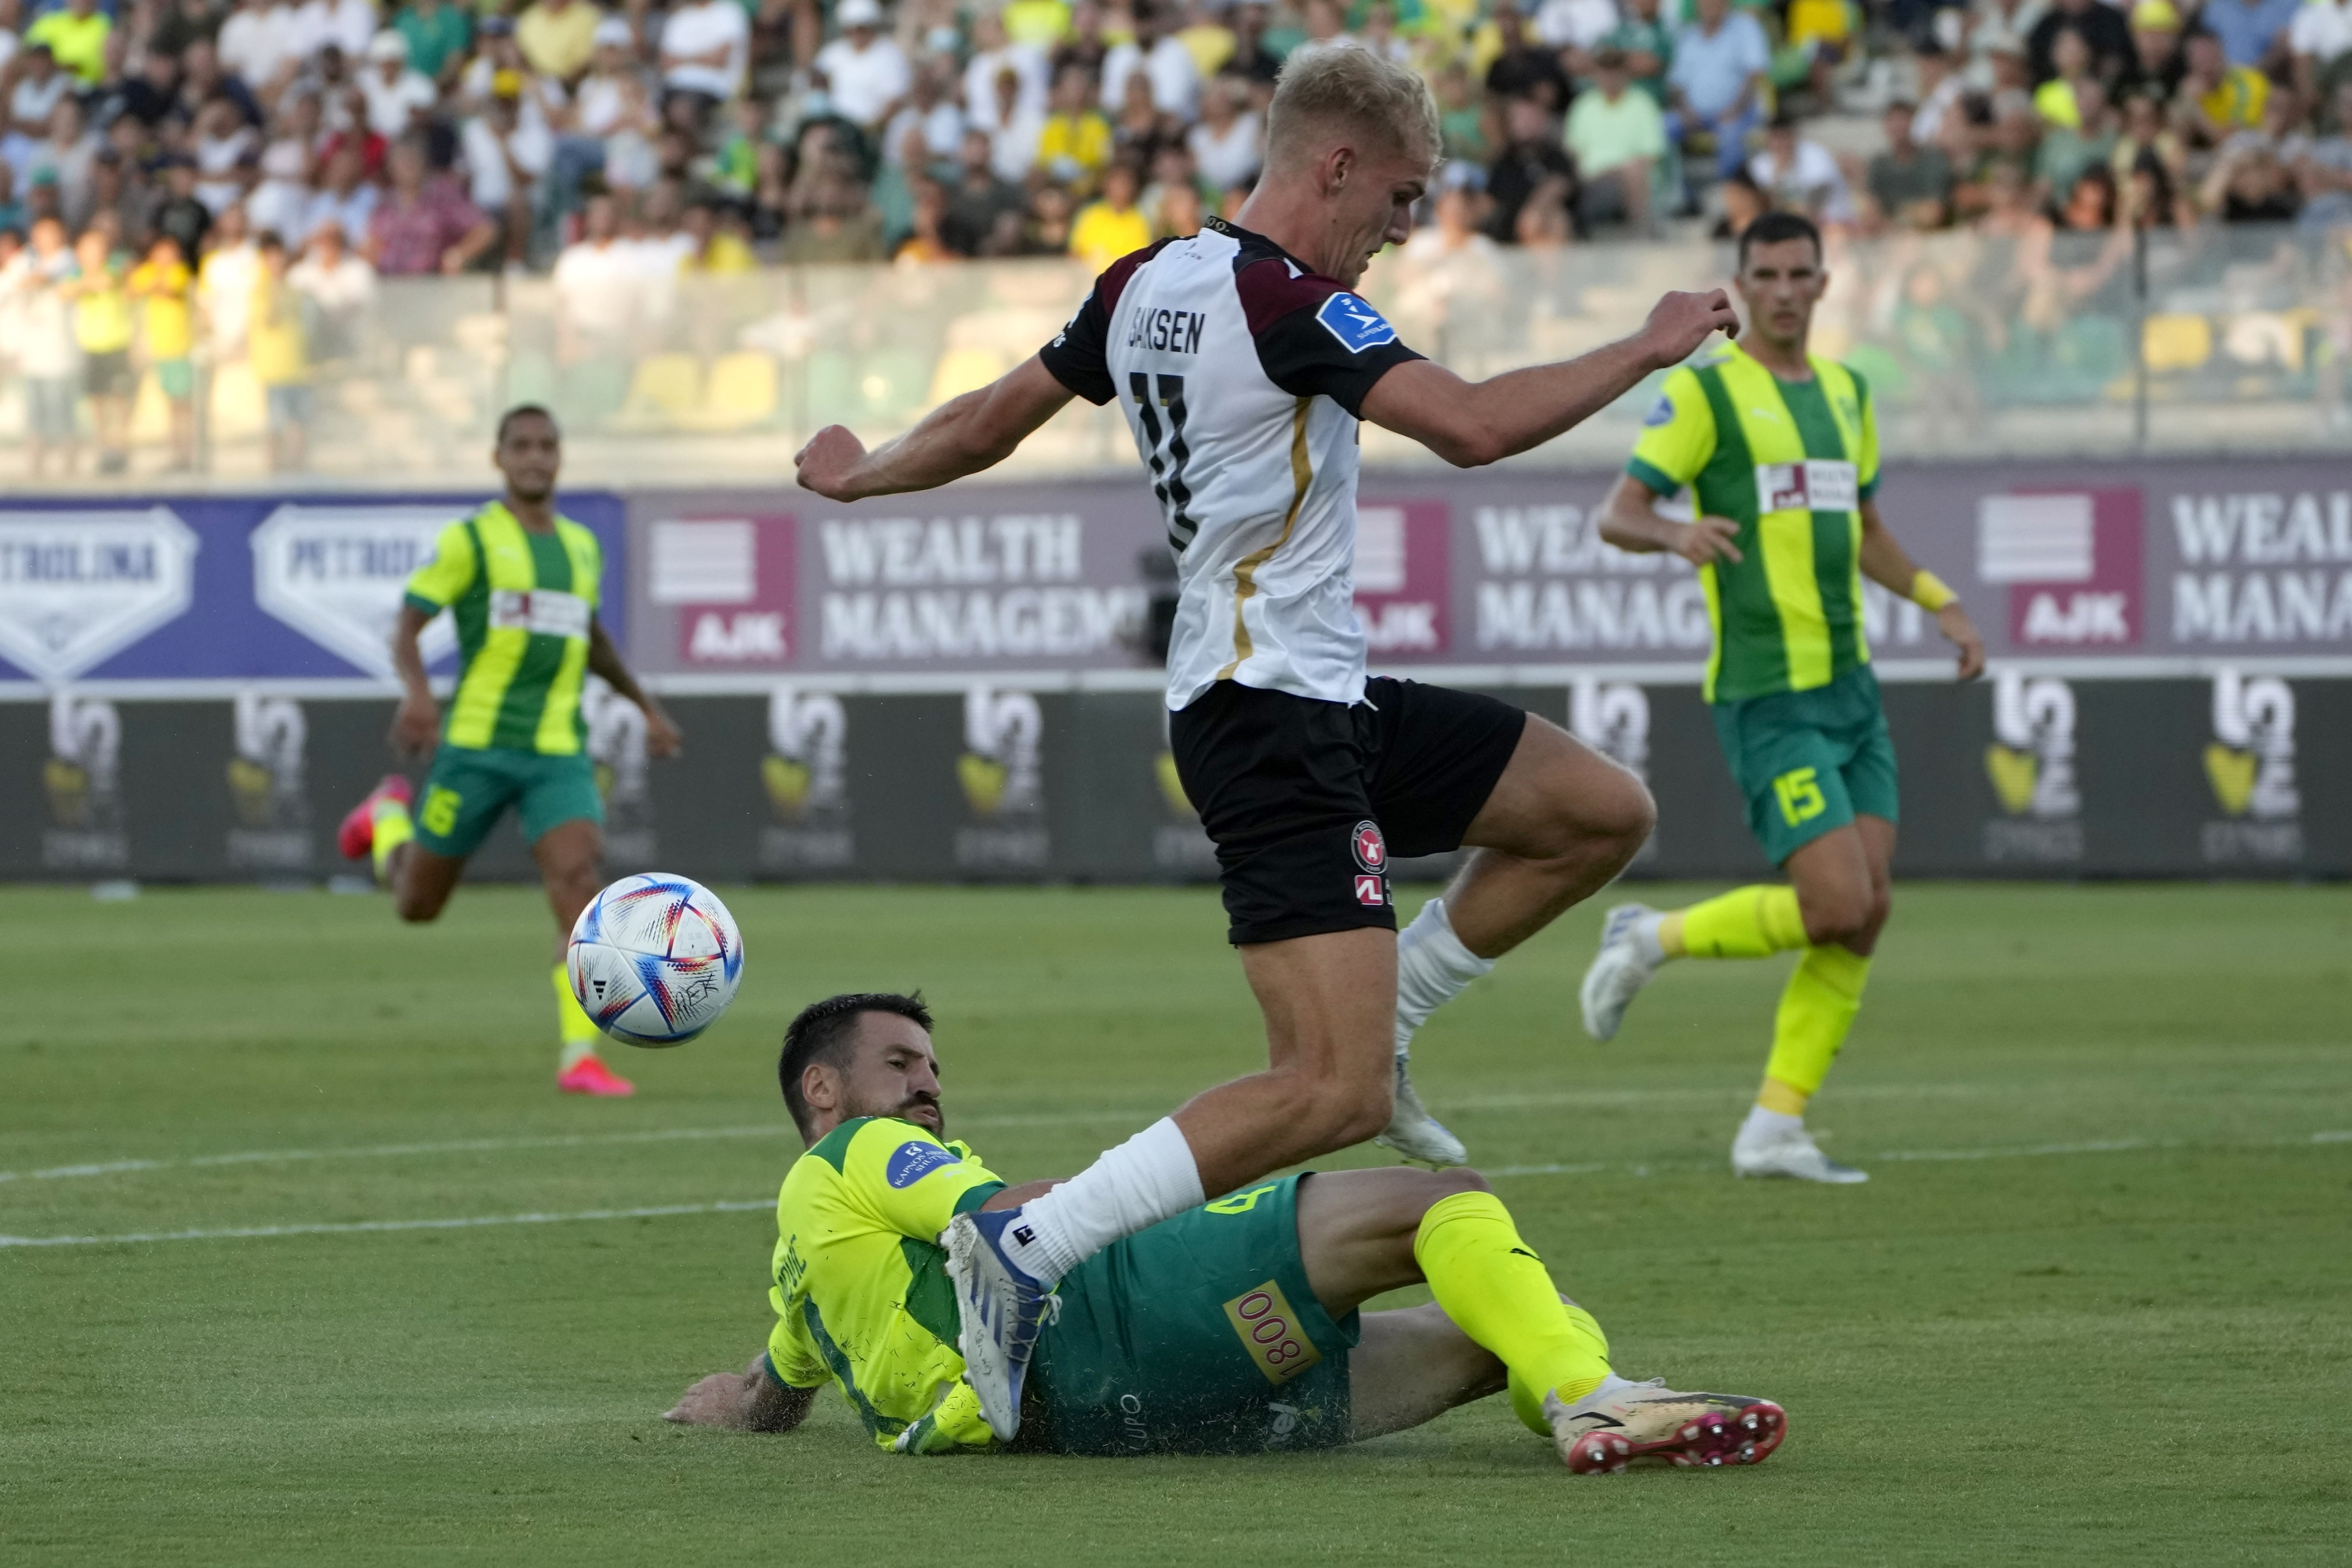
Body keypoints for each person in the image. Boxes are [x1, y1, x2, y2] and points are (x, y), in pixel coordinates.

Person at [789, 45, 1736, 1442]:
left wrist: (863, 473)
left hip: (1313, 692)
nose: (1403, 227)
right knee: (1328, 1091)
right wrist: (1647, 347)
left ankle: (1400, 1004)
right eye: (1400, 196)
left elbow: (995, 419)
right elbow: (1471, 428)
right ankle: (1028, 1250)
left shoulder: (1143, 282)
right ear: (1333, 163)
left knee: (1595, 810)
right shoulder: (1291, 302)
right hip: (1267, 716)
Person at [662, 991, 1789, 1469]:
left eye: (934, 1070)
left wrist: (724, 1400)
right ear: (823, 1089)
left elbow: (775, 1390)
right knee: (1443, 1201)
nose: (928, 1089)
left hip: (1106, 1426)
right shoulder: (849, 1155)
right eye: (900, 1065)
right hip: (1102, 1325)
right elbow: (1006, 1225)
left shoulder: (804, 1270)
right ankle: (1590, 1399)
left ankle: (1582, 1396)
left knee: (1512, 1330)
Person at [1582, 211, 1987, 1185]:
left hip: (1851, 689)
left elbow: (1868, 526)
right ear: (1741, 283)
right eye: (1765, 273)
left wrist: (1943, 601)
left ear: (1823, 282)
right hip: (1767, 693)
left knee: (1868, 909)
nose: (1783, 289)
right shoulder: (1709, 394)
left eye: (1799, 272)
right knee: (1835, 898)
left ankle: (1775, 1123)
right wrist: (1673, 533)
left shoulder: (1847, 393)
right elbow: (1618, 512)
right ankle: (1649, 936)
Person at [335, 406, 684, 1098]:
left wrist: (643, 705)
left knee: (579, 885)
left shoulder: (582, 547)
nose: (535, 457)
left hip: (557, 751)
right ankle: (389, 818)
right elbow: (407, 625)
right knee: (416, 905)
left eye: (547, 446)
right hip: (475, 749)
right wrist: (418, 693)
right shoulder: (472, 541)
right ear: (499, 459)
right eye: (520, 446)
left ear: (560, 457)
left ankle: (579, 1056)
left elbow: (590, 637)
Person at [64, 224, 134, 474]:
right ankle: (103, 449)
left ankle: (121, 448)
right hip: (91, 347)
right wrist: (84, 283)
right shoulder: (75, 275)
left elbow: (106, 282)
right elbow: (65, 292)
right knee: (96, 401)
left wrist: (87, 282)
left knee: (119, 400)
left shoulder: (113, 269)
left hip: (115, 345)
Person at [128, 234, 197, 469]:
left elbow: (170, 290)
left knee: (183, 405)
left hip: (180, 348)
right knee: (170, 406)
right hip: (158, 350)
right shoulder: (147, 272)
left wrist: (153, 283)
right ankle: (176, 454)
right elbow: (132, 290)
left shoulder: (179, 272)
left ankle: (187, 454)